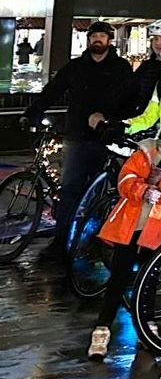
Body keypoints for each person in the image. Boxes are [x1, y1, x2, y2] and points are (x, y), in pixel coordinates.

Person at [88, 105, 161, 361]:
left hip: (159, 231)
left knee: (150, 281)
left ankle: (147, 325)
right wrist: (142, 190)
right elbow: (125, 179)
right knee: (119, 277)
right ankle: (102, 328)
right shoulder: (148, 150)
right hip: (132, 225)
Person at [24, 20, 133, 264]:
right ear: (89, 39)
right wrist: (32, 112)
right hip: (76, 136)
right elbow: (52, 90)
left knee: (97, 194)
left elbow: (131, 102)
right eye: (94, 36)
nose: (97, 40)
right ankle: (61, 242)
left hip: (105, 141)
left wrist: (112, 123)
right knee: (70, 189)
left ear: (109, 41)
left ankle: (93, 240)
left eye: (102, 37)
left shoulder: (121, 69)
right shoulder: (75, 68)